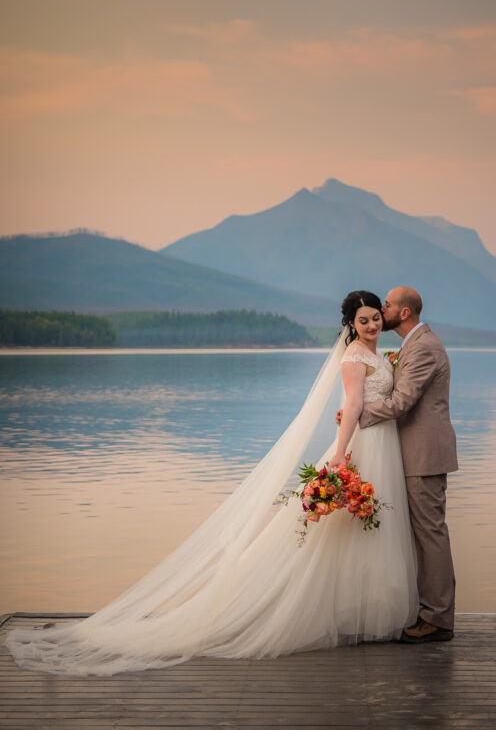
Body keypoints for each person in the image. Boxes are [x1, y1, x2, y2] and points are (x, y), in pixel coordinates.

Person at [4, 291, 418, 675]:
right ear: (350, 322)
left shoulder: (377, 353)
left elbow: (374, 399)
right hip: (363, 444)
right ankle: (329, 609)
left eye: (375, 319)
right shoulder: (353, 357)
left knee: (365, 529)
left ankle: (366, 609)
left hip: (382, 444)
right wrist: (341, 455)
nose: (371, 326)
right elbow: (352, 406)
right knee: (342, 528)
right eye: (363, 321)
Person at [341, 286, 459, 644]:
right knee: (422, 534)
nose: (382, 310)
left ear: (403, 313)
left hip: (424, 455)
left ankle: (437, 620)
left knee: (430, 533)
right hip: (410, 453)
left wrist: (357, 414)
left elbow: (402, 402)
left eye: (387, 306)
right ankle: (424, 611)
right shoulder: (411, 346)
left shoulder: (423, 347)